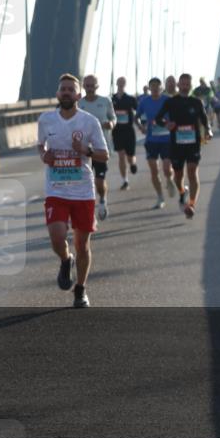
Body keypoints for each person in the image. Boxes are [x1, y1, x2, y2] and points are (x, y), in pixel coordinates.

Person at [38, 74, 109, 308]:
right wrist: (44, 155)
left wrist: (86, 150)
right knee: (57, 237)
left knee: (82, 245)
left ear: (78, 95)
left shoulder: (89, 122)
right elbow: (40, 145)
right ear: (58, 94)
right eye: (63, 89)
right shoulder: (46, 120)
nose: (67, 92)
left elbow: (104, 155)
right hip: (56, 190)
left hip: (83, 192)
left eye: (71, 89)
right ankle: (65, 259)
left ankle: (80, 289)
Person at [154, 73, 212, 219]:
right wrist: (167, 124)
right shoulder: (171, 102)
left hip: (193, 143)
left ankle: (191, 204)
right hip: (176, 144)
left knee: (192, 171)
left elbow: (204, 120)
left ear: (191, 86)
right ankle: (182, 192)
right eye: (183, 84)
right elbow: (158, 118)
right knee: (178, 175)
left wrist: (208, 131)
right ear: (178, 85)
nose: (185, 86)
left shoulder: (196, 102)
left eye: (188, 84)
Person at [78, 74, 115, 220]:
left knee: (99, 182)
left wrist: (111, 124)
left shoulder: (105, 101)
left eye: (92, 86)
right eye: (87, 86)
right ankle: (87, 211)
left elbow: (113, 117)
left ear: (97, 86)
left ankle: (102, 200)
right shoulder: (79, 103)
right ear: (83, 86)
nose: (90, 89)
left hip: (100, 148)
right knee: (84, 182)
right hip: (82, 149)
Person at [136, 77, 173, 209]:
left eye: (157, 86)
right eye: (153, 86)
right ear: (149, 87)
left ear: (161, 87)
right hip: (151, 140)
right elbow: (136, 117)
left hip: (167, 140)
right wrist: (141, 127)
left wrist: (171, 125)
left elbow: (176, 115)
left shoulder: (168, 100)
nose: (155, 88)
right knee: (154, 170)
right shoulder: (144, 101)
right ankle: (160, 197)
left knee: (167, 169)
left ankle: (169, 179)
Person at [110, 76, 139, 190]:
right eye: (119, 82)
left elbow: (138, 112)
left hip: (129, 131)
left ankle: (133, 164)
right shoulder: (111, 99)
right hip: (117, 131)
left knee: (130, 157)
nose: (121, 84)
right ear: (117, 83)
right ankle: (125, 180)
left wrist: (140, 124)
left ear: (125, 84)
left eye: (123, 82)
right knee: (121, 155)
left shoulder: (130, 99)